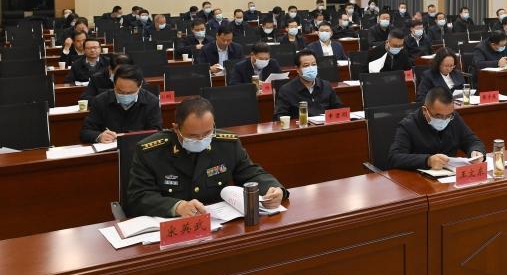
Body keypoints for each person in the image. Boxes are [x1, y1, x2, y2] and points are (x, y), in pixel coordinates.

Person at [125, 97, 287, 218]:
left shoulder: (227, 144)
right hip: (172, 224)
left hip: (218, 222)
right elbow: (138, 196)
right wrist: (176, 206)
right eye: (193, 136)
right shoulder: (151, 151)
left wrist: (274, 188)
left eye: (207, 133)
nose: (201, 139)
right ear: (176, 129)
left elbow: (251, 173)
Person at [388, 87, 485, 170]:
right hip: (419, 178)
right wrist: (428, 161)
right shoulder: (408, 125)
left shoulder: (454, 118)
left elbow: (472, 141)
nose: (444, 119)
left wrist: (476, 151)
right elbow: (394, 157)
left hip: (449, 176)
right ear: (425, 110)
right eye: (438, 116)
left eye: (448, 115)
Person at [80, 64, 162, 144]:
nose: (125, 95)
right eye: (120, 91)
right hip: (110, 149)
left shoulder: (152, 102)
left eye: (130, 93)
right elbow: (85, 132)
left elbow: (157, 133)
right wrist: (99, 136)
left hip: (139, 148)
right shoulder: (100, 101)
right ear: (114, 84)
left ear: (140, 85)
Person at [274, 51, 345, 118]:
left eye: (313, 65)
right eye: (306, 66)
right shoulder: (286, 90)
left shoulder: (326, 86)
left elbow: (340, 110)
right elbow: (279, 117)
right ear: (297, 69)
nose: (311, 68)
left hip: (324, 125)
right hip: (302, 125)